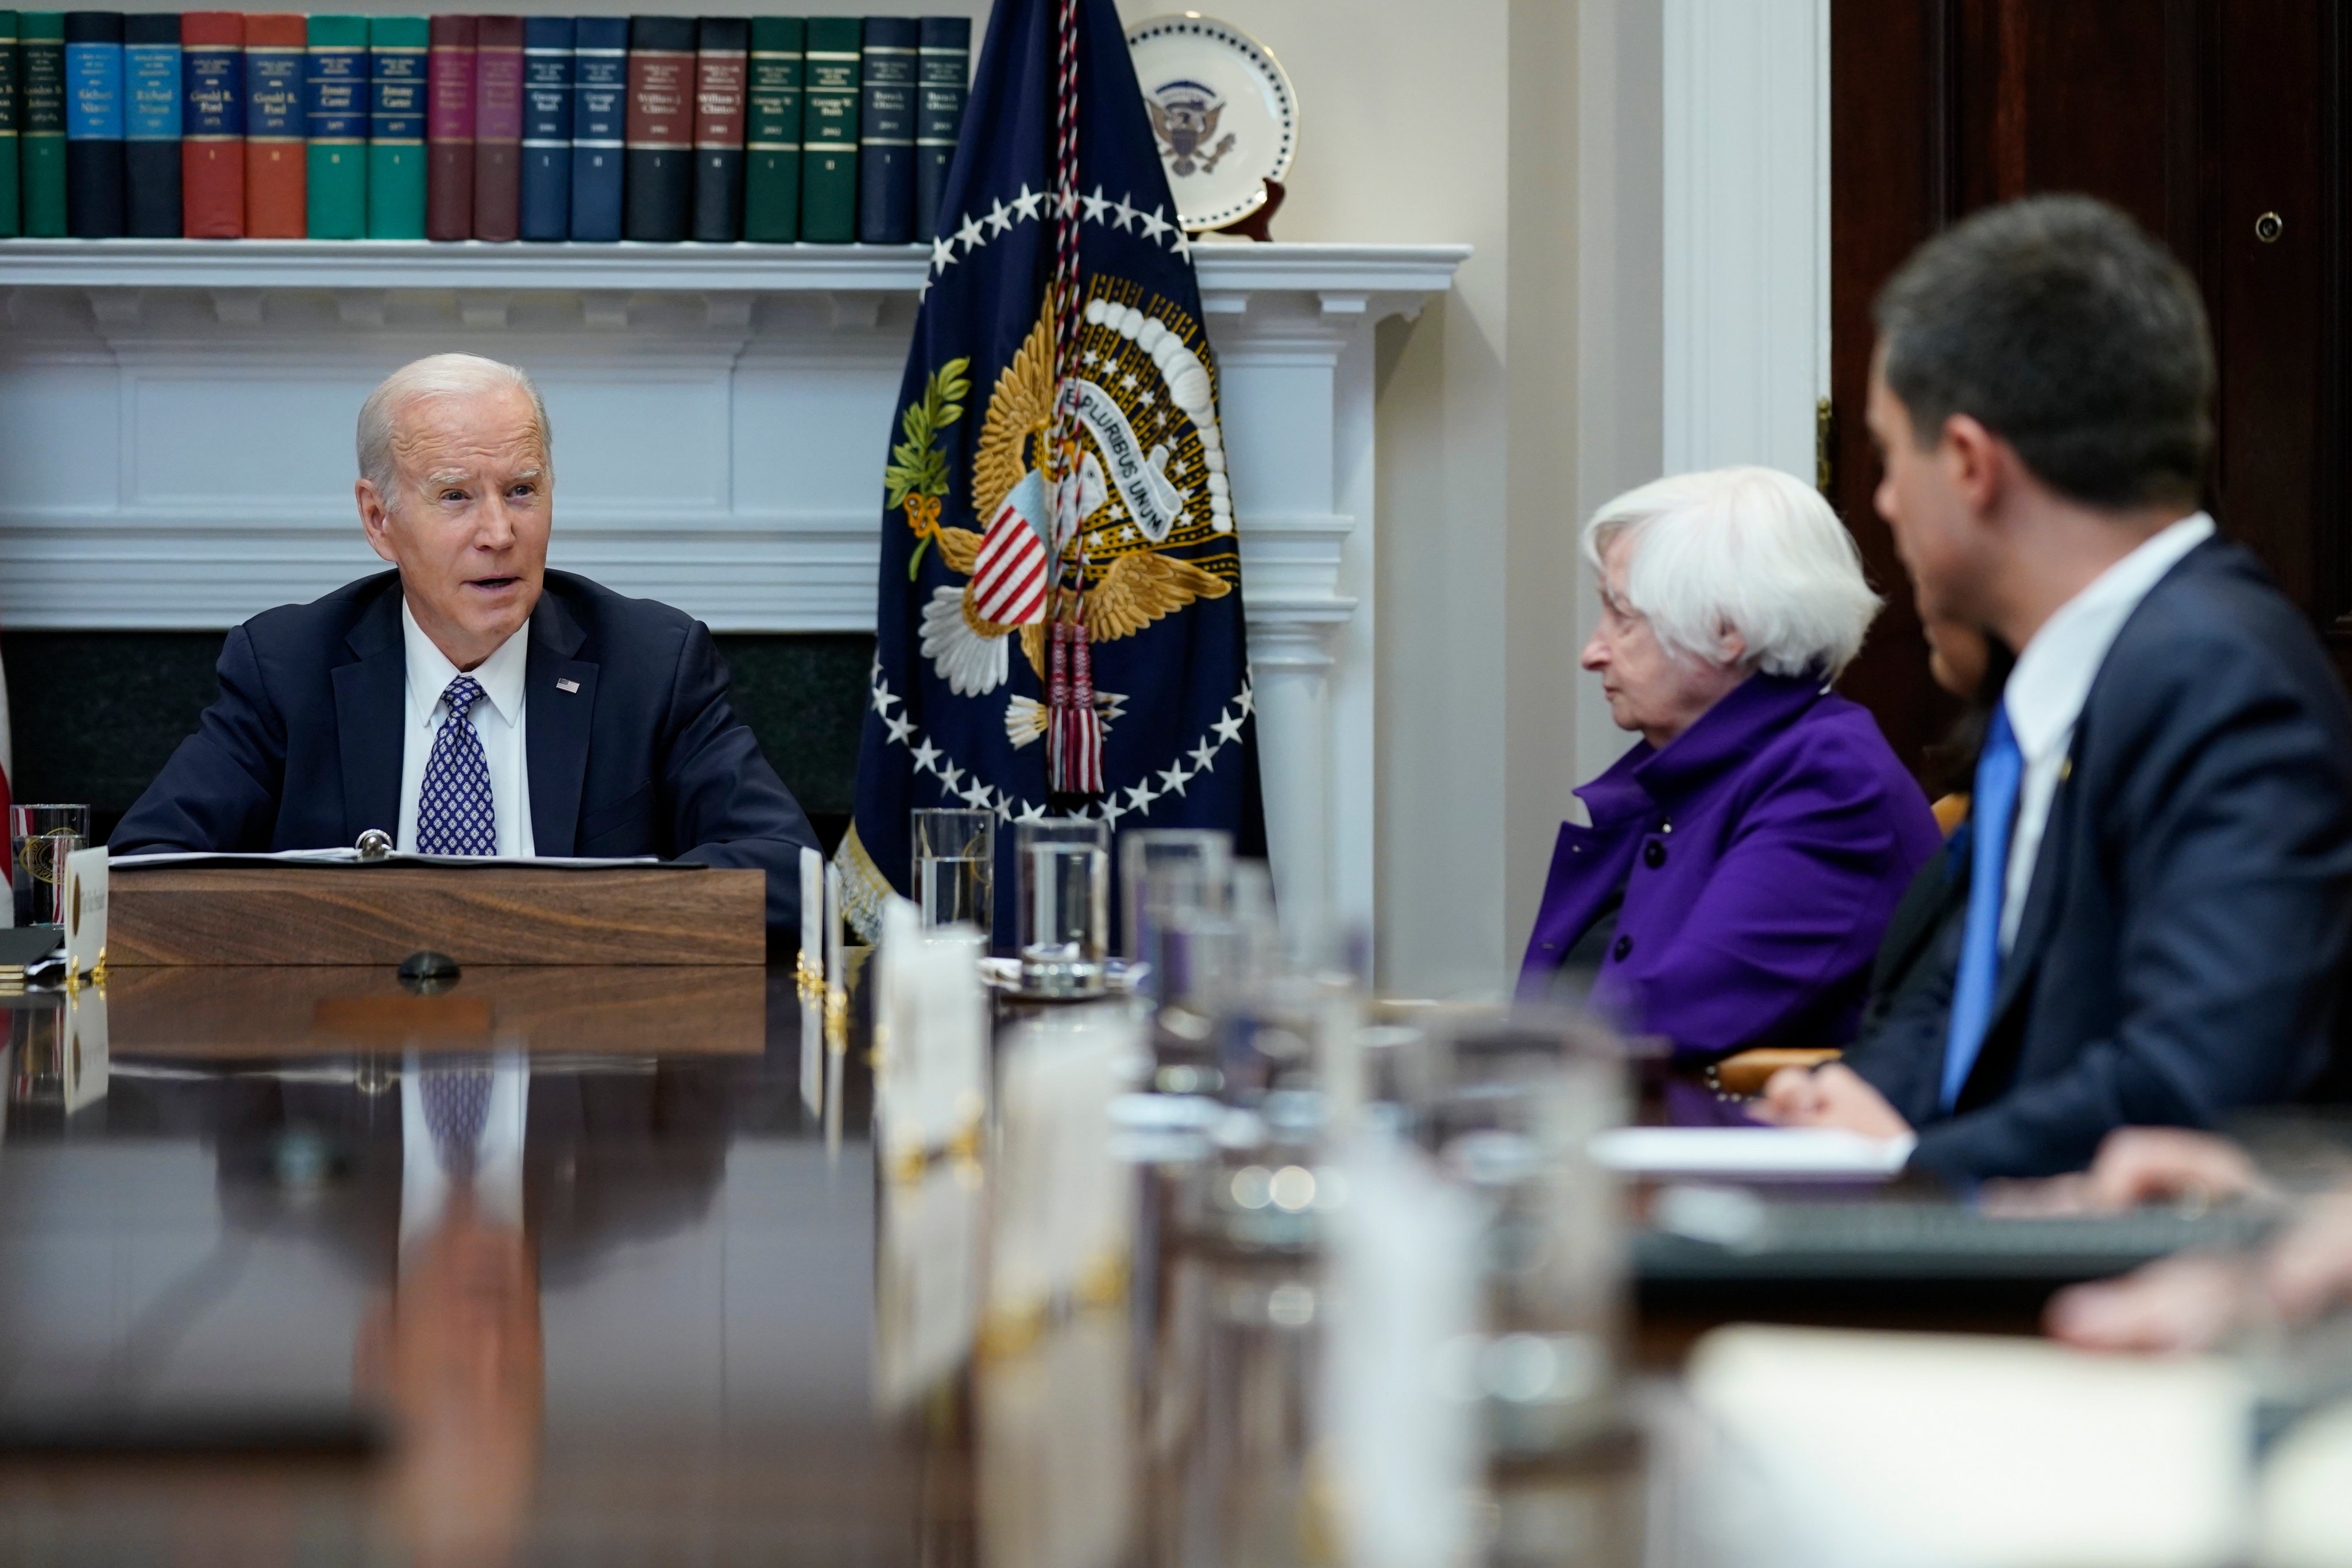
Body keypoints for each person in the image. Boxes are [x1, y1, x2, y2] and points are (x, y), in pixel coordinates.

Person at [1762, 195, 2352, 1178]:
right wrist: (1864, 1100)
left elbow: (2202, 1085)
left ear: (1968, 463)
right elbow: (1974, 996)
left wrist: (1907, 1164)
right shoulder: (2077, 676)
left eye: (1888, 453)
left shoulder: (2218, 678)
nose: (1883, 500)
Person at [111, 353, 820, 934]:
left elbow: (789, 873)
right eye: (455, 496)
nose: (499, 534)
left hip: (583, 1072)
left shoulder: (651, 664)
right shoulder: (288, 667)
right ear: (378, 518)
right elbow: (141, 874)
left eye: (520, 490)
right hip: (351, 1080)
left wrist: (558, 923)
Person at [1519, 465, 1941, 1067]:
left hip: (1742, 1149)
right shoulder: (1682, 770)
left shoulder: (1830, 780)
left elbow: (1678, 1016)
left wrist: (1482, 1063)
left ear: (1727, 631)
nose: (1593, 652)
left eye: (1622, 616)